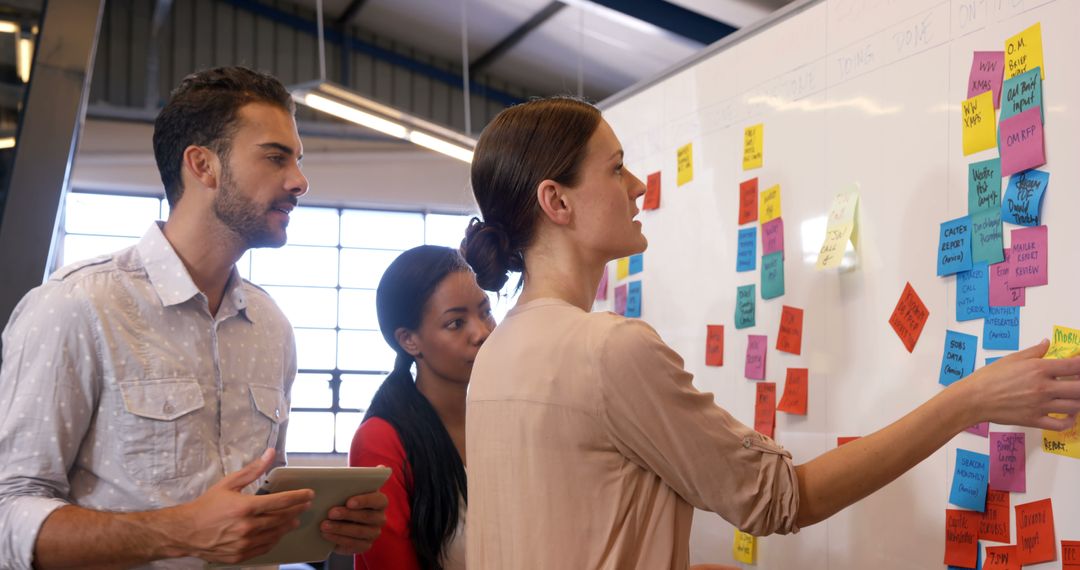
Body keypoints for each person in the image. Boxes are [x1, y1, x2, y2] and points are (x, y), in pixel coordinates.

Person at [458, 96, 1080, 569]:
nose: (639, 186)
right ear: (556, 202)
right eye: (617, 168)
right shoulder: (609, 350)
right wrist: (971, 398)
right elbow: (784, 500)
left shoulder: (496, 354)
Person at [0, 66, 387, 569]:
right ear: (202, 165)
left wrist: (321, 520)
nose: (300, 181)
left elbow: (257, 500)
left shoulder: (272, 327)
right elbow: (9, 513)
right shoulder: (76, 307)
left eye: (298, 160)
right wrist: (179, 531)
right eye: (275, 157)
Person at [349, 245, 495, 570]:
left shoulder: (503, 422)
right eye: (456, 323)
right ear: (409, 340)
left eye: (485, 311)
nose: (482, 332)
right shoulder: (381, 441)